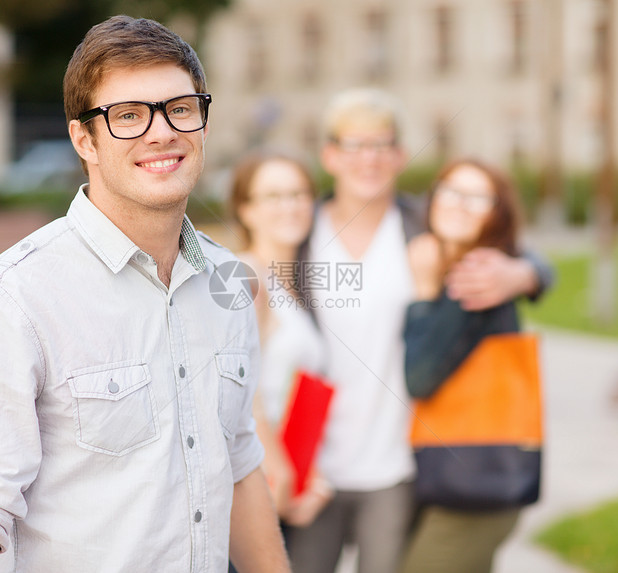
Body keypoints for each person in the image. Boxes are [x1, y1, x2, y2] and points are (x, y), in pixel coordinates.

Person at [0, 16, 289, 573]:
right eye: (127, 116)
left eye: (180, 108)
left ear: (203, 121)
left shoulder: (229, 281)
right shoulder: (13, 298)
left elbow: (238, 464)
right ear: (83, 139)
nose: (162, 132)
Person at [287, 88, 553, 573]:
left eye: (381, 145)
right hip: (316, 463)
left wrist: (525, 273)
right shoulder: (299, 234)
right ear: (330, 155)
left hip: (398, 467)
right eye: (354, 145)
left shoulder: (425, 227)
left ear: (400, 156)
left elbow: (515, 248)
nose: (368, 159)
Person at [400, 158, 536, 573]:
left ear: (497, 213)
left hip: (471, 488)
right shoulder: (469, 264)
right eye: (451, 191)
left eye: (477, 198)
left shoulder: (477, 277)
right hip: (465, 481)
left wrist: (423, 293)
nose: (460, 204)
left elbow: (419, 378)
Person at [229, 151, 333, 529]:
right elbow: (240, 387)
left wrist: (311, 475)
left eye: (299, 194)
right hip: (255, 479)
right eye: (273, 196)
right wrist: (280, 469)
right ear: (246, 210)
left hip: (287, 479)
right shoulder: (245, 275)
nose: (290, 206)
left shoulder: (296, 285)